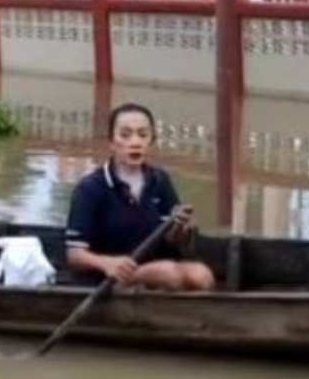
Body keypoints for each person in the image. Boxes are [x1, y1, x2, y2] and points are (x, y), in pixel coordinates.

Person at [65, 103, 215, 291]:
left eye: (143, 135)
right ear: (111, 141)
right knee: (168, 273)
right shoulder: (90, 188)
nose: (135, 142)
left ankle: (193, 318)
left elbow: (172, 240)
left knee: (202, 275)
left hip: (157, 269)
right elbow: (75, 255)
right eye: (125, 135)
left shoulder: (160, 180)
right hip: (108, 280)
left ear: (151, 140)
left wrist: (178, 226)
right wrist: (107, 264)